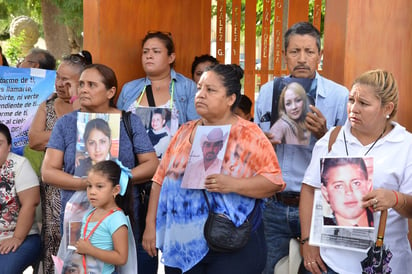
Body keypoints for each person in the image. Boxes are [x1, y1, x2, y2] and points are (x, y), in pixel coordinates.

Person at [142, 64, 286, 274]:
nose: (200, 95)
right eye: (199, 88)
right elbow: (159, 180)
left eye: (210, 90)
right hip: (181, 243)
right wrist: (150, 225)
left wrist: (233, 185)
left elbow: (273, 182)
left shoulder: (249, 133)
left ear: (230, 99)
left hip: (230, 243)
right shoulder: (184, 131)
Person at [41, 64, 158, 271]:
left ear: (110, 92)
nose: (83, 89)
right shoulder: (66, 123)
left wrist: (117, 180)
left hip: (120, 214)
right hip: (77, 216)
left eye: (92, 85)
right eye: (82, 84)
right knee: (79, 267)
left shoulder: (129, 121)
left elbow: (151, 165)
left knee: (119, 265)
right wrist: (85, 183)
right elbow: (48, 172)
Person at [253, 21, 349, 274]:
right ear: (285, 55)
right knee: (267, 268)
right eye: (295, 52)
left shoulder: (340, 96)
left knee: (319, 269)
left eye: (309, 51)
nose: (302, 58)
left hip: (320, 205)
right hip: (273, 204)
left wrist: (324, 134)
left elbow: (351, 158)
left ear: (320, 55)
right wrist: (262, 140)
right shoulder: (267, 92)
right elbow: (253, 148)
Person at [300, 69, 412, 273]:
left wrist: (395, 199)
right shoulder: (333, 138)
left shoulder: (406, 145)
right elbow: (309, 189)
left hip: (383, 265)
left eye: (364, 103)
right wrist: (308, 241)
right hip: (330, 263)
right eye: (351, 100)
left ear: (387, 108)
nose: (353, 108)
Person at [117, 31, 199, 273]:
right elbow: (119, 130)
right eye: (145, 52)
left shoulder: (187, 87)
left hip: (175, 181)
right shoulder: (130, 89)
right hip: (136, 178)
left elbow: (196, 130)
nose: (149, 56)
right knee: (141, 248)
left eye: (156, 51)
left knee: (176, 249)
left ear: (171, 56)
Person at [27, 52, 91, 274]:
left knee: (79, 242)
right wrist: (65, 131)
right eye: (58, 77)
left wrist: (75, 110)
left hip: (84, 185)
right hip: (53, 184)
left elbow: (86, 132)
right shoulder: (48, 104)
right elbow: (34, 140)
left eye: (67, 80)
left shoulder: (89, 108)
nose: (60, 84)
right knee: (54, 239)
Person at [74, 160, 133, 274]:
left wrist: (90, 250)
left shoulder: (116, 218)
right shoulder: (89, 214)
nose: (92, 192)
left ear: (115, 190)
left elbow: (121, 258)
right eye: (89, 186)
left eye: (99, 186)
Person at [0, 123, 41, 272]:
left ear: (9, 146)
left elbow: (31, 203)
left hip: (22, 237)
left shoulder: (19, 165)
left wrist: (17, 237)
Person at [320, 157, 374, 227]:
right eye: (338, 186)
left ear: (368, 186)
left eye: (356, 183)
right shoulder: (319, 229)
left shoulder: (382, 220)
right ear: (325, 192)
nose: (349, 192)